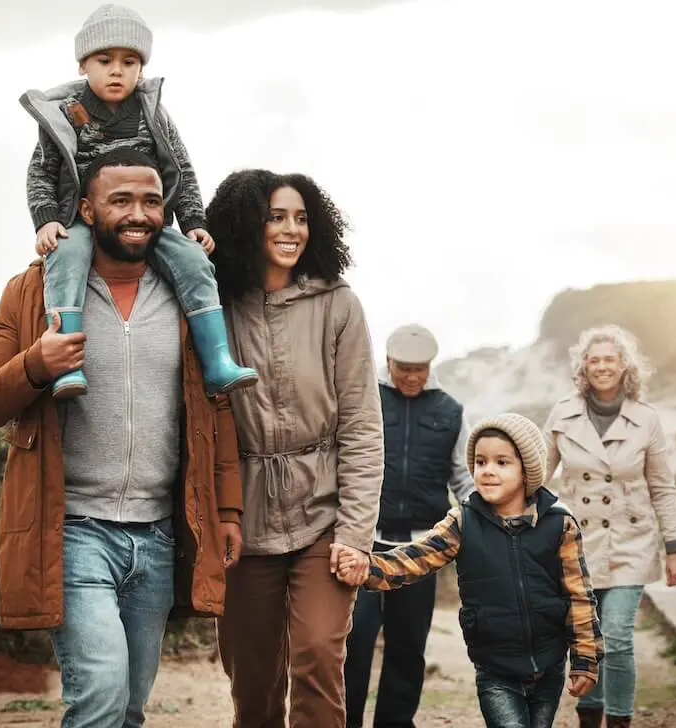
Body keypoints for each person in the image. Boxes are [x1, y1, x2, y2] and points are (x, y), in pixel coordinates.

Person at [0, 149, 243, 728]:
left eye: (152, 202)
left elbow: (215, 413)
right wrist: (37, 362)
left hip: (157, 535)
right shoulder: (31, 293)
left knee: (129, 707)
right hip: (73, 530)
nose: (140, 214)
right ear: (85, 209)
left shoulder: (190, 295)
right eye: (121, 200)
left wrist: (226, 508)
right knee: (100, 695)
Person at [205, 169, 384, 728]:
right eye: (276, 217)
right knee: (253, 682)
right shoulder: (215, 304)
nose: (291, 230)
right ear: (244, 224)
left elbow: (361, 425)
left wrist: (356, 533)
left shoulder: (339, 304)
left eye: (302, 218)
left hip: (324, 514)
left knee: (317, 660)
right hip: (243, 517)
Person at [20, 3, 256, 399]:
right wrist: (46, 220)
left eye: (129, 61)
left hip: (145, 221)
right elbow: (41, 170)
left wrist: (194, 222)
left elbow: (181, 167)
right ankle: (66, 364)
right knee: (65, 257)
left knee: (193, 260)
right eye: (105, 59)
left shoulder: (153, 112)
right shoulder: (65, 113)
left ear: (141, 67)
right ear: (83, 64)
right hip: (81, 219)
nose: (117, 70)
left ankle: (217, 360)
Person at [338, 413, 604, 728]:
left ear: (527, 470)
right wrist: (367, 565)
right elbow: (414, 558)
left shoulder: (560, 524)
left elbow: (579, 595)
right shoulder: (463, 522)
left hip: (549, 665)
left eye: (502, 462)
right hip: (495, 668)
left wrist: (585, 659)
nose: (488, 470)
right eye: (481, 462)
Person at [543, 324, 676, 728]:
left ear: (625, 366)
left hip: (632, 542)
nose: (602, 366)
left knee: (619, 637)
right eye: (594, 360)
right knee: (587, 639)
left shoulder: (646, 419)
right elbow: (537, 474)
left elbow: (662, 486)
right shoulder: (562, 414)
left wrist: (674, 547)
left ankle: (619, 721)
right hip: (578, 543)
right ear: (583, 368)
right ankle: (591, 717)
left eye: (610, 359)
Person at [345, 323, 475, 728]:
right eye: (404, 368)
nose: (413, 376)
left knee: (408, 646)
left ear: (430, 365)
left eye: (420, 368)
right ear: (388, 362)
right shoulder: (366, 399)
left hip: (422, 550)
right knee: (355, 638)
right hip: (364, 543)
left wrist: (486, 518)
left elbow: (463, 478)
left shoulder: (451, 412)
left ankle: (395, 723)